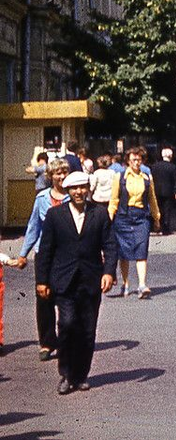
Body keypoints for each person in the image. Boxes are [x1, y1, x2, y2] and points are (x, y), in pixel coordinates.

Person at [35, 171, 118, 395]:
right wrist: (42, 280)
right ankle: (66, 373)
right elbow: (45, 251)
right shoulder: (55, 215)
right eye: (74, 188)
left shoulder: (99, 214)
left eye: (82, 187)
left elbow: (110, 245)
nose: (79, 192)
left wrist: (109, 272)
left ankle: (81, 375)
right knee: (67, 324)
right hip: (64, 280)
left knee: (88, 331)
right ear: (68, 191)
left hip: (91, 281)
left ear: (88, 189)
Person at [15, 159, 71, 361]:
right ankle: (47, 342)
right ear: (50, 176)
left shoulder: (74, 197)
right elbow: (33, 227)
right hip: (44, 254)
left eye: (65, 172)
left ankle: (66, 340)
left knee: (67, 296)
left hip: (67, 255)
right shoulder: (42, 198)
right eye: (58, 173)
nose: (62, 177)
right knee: (44, 297)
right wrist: (23, 254)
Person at [108, 146, 161, 299]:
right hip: (123, 216)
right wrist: (109, 219)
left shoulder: (146, 178)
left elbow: (152, 199)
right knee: (124, 253)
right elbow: (114, 199)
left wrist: (156, 217)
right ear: (128, 161)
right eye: (133, 159)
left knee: (141, 250)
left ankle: (142, 285)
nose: (136, 162)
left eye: (139, 159)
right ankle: (125, 284)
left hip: (141, 217)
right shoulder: (120, 177)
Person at [150, 147, 176, 235]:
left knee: (158, 209)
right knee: (167, 210)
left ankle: (157, 226)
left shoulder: (155, 166)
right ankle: (165, 228)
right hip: (168, 192)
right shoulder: (172, 167)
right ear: (170, 156)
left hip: (156, 191)